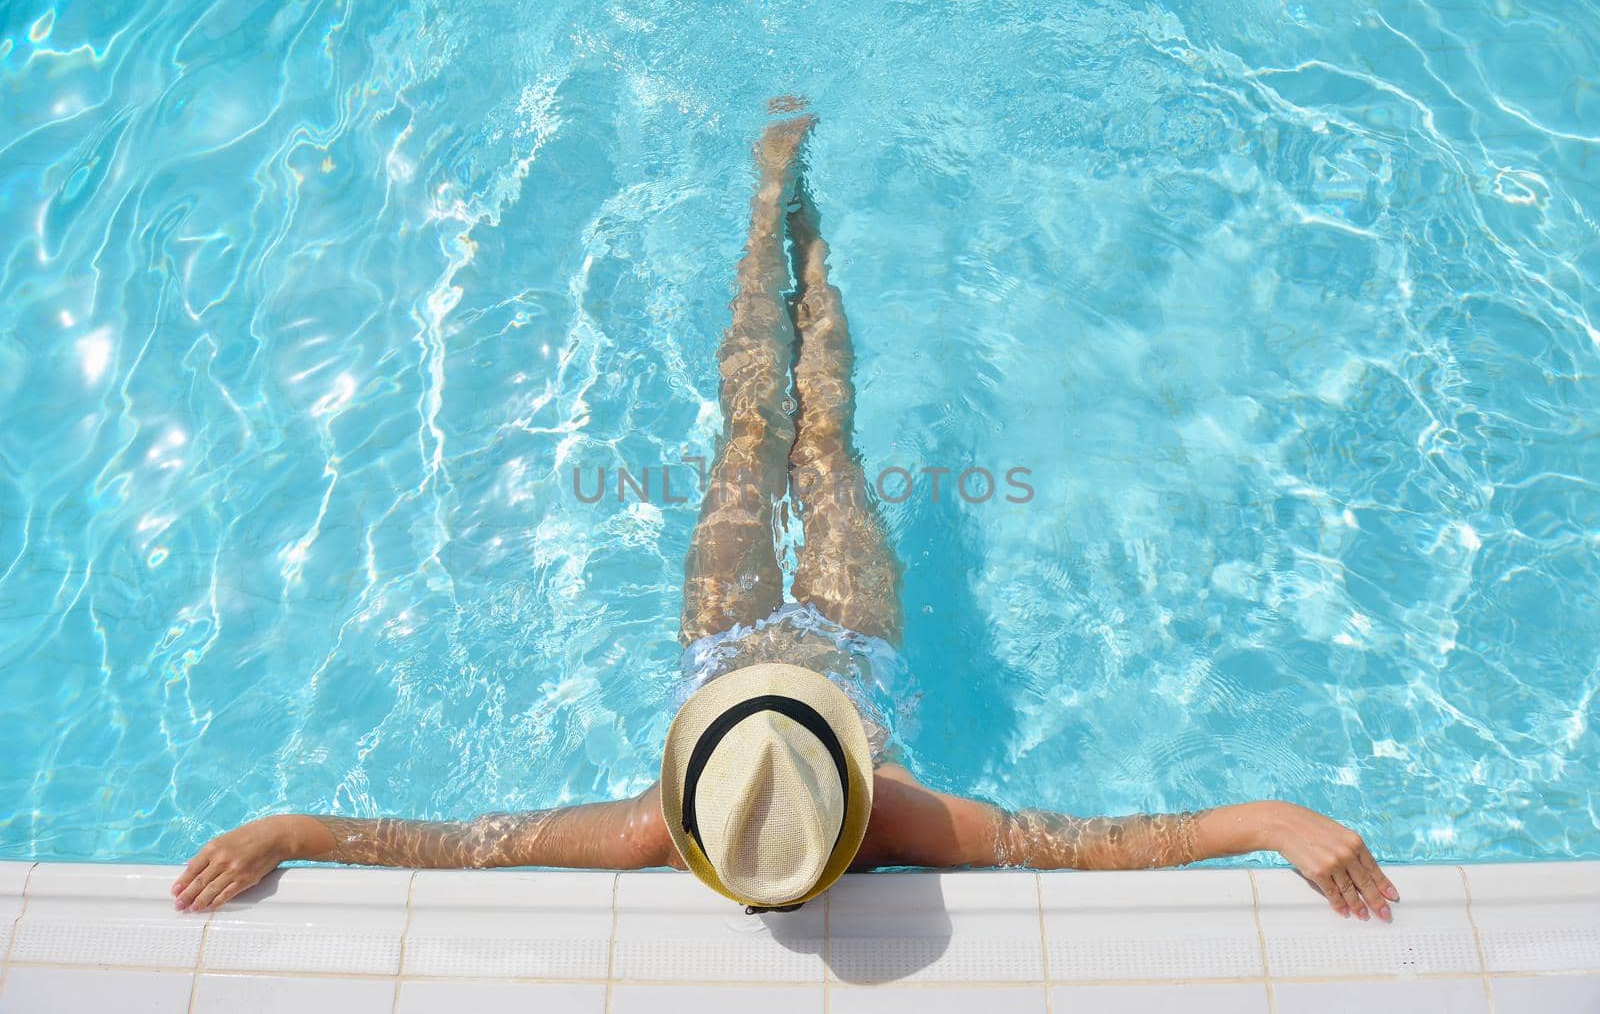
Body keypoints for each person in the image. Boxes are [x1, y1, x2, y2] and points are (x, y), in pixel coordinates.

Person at [175, 106, 1400, 923]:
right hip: (849, 634)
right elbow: (1090, 842)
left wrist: (294, 823)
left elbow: (468, 845)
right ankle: (783, 222)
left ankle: (790, 228)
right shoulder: (896, 824)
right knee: (802, 437)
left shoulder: (653, 829)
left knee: (776, 434)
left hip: (724, 643)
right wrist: (1268, 818)